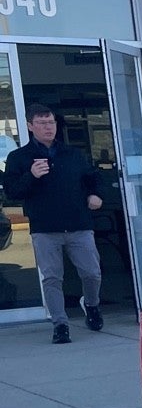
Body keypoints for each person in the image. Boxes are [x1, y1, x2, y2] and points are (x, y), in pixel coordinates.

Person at [3, 105, 104, 343]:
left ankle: (91, 304)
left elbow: (93, 178)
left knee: (92, 273)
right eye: (42, 123)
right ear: (30, 126)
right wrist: (31, 175)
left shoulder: (72, 154)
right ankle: (60, 324)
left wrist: (95, 194)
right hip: (45, 228)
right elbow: (12, 191)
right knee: (51, 278)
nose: (49, 128)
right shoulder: (19, 158)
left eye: (51, 123)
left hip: (78, 224)